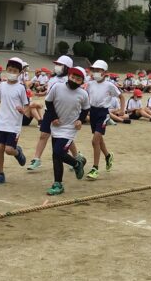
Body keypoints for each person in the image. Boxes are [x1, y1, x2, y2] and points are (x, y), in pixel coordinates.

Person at [44, 65, 89, 196]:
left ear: (82, 82)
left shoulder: (83, 94)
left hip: (70, 128)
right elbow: (48, 102)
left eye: (78, 79)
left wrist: (80, 120)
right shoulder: (57, 87)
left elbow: (85, 108)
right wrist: (53, 117)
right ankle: (58, 184)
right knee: (56, 156)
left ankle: (76, 164)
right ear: (69, 76)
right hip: (56, 125)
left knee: (59, 152)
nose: (74, 80)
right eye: (73, 77)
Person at [84, 60, 120, 179]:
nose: (95, 72)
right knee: (99, 139)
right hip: (92, 112)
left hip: (103, 113)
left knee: (95, 141)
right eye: (94, 70)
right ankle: (108, 156)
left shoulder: (109, 85)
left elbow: (121, 96)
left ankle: (95, 168)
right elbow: (85, 96)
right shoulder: (90, 84)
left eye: (98, 70)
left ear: (104, 72)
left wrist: (122, 110)